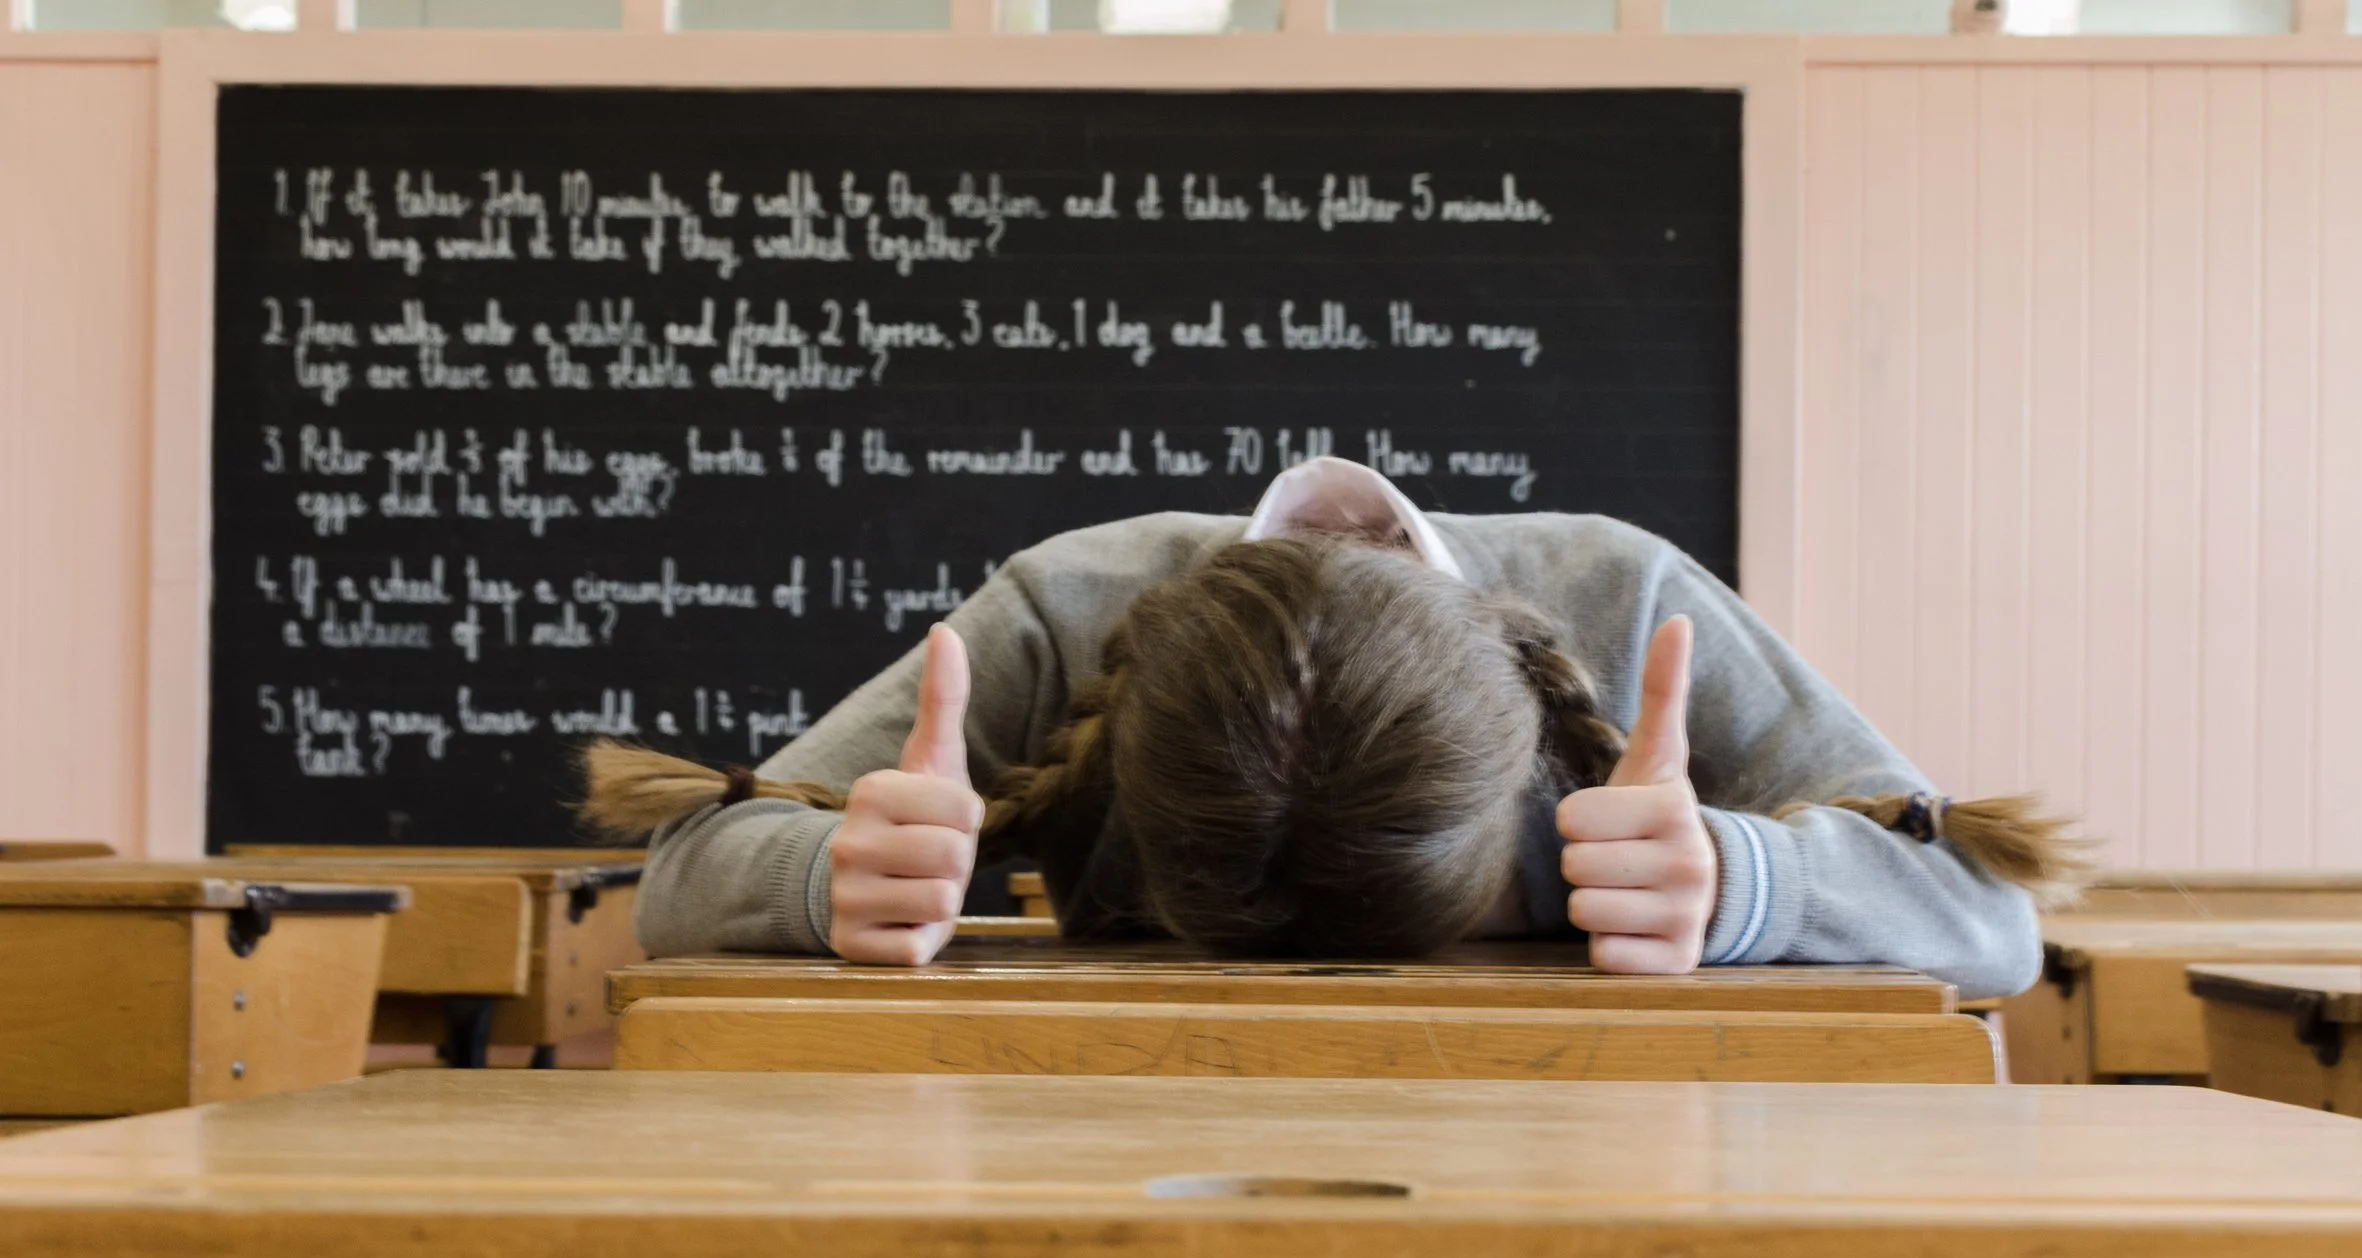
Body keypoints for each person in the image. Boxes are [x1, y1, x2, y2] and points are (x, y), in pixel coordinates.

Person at [584, 458, 2077, 997]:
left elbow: (1992, 921)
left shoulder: (1627, 599)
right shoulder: (1061, 611)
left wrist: (1750, 882)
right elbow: (680, 874)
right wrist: (818, 877)